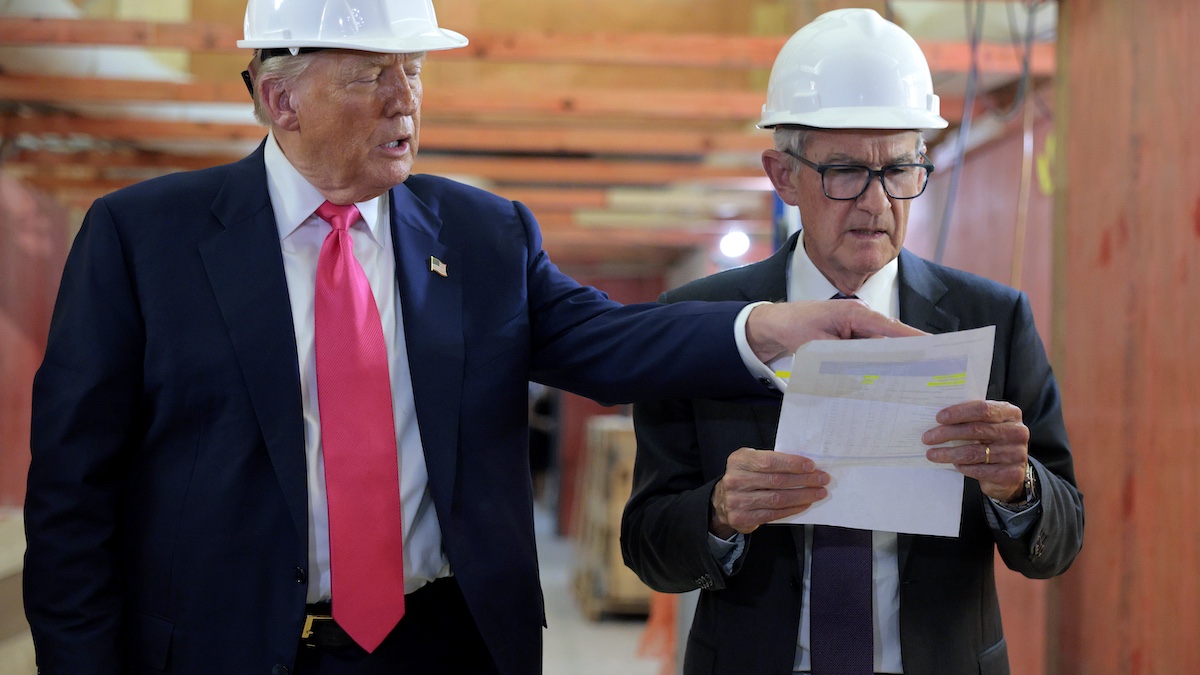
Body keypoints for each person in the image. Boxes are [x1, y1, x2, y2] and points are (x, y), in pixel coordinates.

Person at [21, 2, 922, 674]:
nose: (405, 98)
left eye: (415, 71)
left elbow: (605, 341)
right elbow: (72, 494)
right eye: (374, 73)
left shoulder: (483, 235)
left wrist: (768, 325)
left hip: (446, 644)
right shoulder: (145, 240)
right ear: (279, 97)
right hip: (228, 648)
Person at [621, 8, 1085, 675]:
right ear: (782, 174)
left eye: (899, 171)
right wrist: (719, 512)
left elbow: (1060, 540)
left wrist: (1019, 488)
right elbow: (647, 545)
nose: (876, 204)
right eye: (845, 172)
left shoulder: (995, 319)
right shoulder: (701, 321)